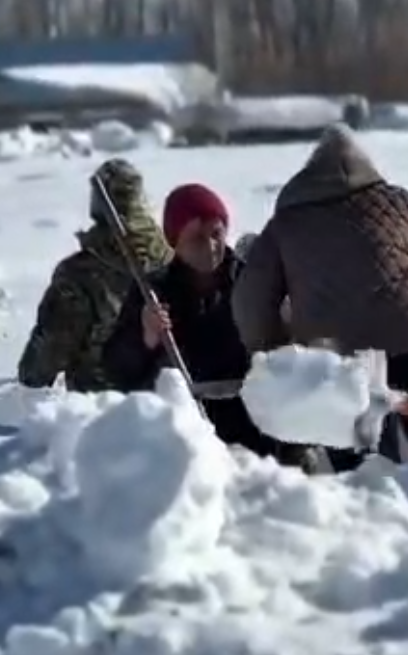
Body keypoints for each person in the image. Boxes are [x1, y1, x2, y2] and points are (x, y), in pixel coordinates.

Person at [232, 124, 408, 545]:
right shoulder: (398, 203)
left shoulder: (287, 223)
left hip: (346, 368)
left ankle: (382, 556)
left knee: (364, 475)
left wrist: (279, 360)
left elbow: (250, 301)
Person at [102, 184, 323, 471]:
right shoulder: (153, 293)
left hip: (259, 435)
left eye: (216, 234)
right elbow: (117, 372)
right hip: (187, 441)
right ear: (174, 242)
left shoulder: (255, 284)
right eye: (196, 238)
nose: (210, 246)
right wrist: (146, 337)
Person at [17, 158, 173, 391]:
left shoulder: (78, 276)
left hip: (103, 414)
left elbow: (37, 370)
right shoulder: (177, 261)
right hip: (174, 407)